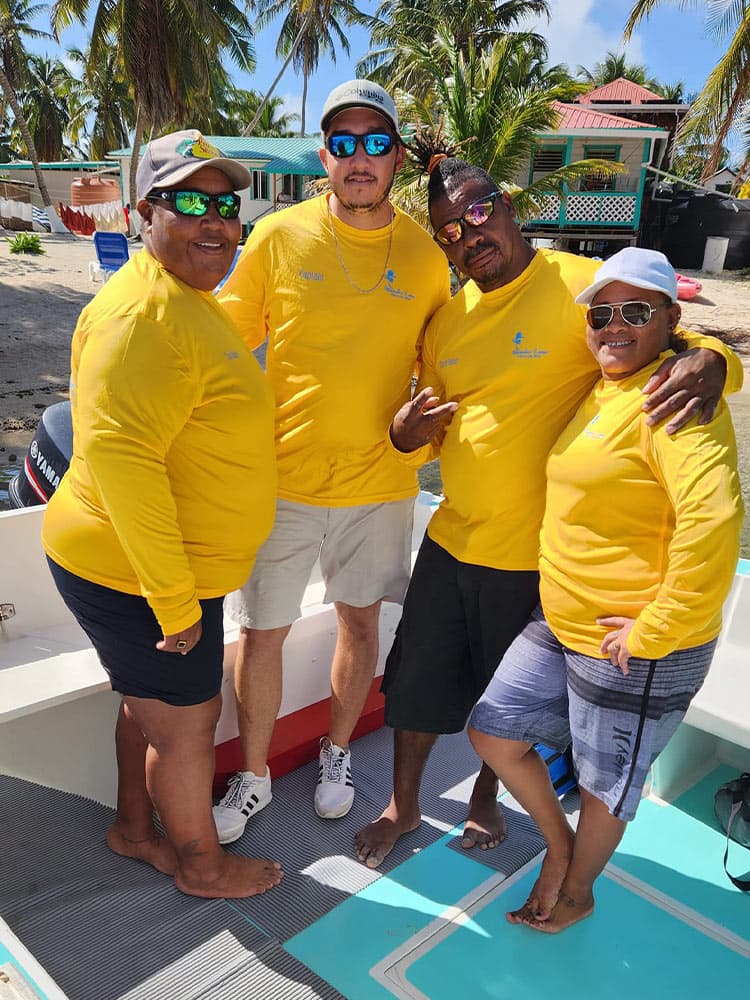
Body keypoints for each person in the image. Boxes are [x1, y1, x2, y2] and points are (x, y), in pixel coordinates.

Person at [354, 153, 744, 869]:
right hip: (452, 538)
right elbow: (430, 432)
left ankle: (481, 801)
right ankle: (402, 805)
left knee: (507, 709)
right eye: (447, 231)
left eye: (476, 212)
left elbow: (665, 341)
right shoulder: (446, 322)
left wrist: (717, 358)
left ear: (505, 204)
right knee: (414, 684)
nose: (468, 235)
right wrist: (405, 438)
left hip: (533, 556)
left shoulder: (577, 286)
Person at [467, 247, 743, 933]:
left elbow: (713, 528)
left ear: (670, 318)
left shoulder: (676, 397)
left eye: (636, 311)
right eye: (601, 312)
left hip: (635, 639)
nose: (614, 325)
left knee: (602, 784)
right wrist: (719, 354)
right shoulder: (608, 384)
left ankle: (578, 889)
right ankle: (557, 846)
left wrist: (653, 631)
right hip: (562, 621)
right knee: (492, 731)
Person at [42, 129, 283, 899]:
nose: (214, 220)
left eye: (224, 204)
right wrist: (175, 601)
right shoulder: (145, 318)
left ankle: (133, 831)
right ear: (147, 211)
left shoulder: (184, 296)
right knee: (186, 726)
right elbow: (123, 464)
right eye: (188, 202)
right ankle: (202, 866)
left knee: (148, 708)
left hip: (163, 566)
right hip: (139, 573)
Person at [212, 81, 450, 843]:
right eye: (343, 143)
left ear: (397, 159)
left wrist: (700, 349)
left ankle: (337, 752)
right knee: (262, 632)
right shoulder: (279, 236)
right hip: (280, 481)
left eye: (375, 143)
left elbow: (447, 362)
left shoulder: (425, 254)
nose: (359, 158)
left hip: (381, 484)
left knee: (359, 623)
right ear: (324, 157)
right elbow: (217, 337)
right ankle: (251, 775)